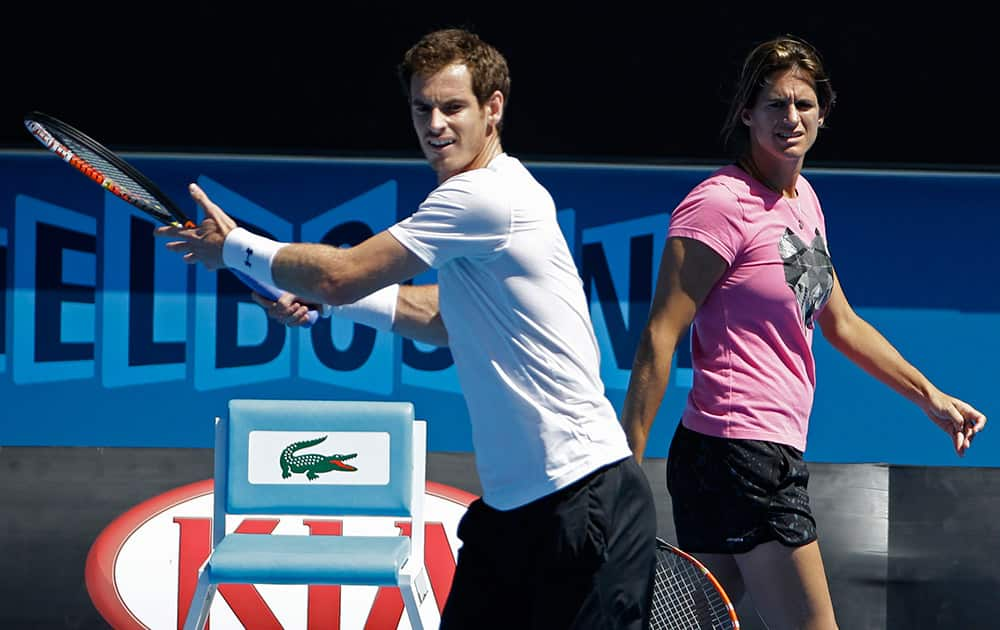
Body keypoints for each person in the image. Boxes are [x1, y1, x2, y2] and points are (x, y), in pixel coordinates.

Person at [159, 28, 657, 629]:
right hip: (513, 511)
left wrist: (236, 248)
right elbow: (443, 318)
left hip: (582, 498)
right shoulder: (481, 201)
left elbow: (343, 274)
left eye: (453, 107)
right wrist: (323, 302)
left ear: (493, 108)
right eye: (423, 109)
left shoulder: (485, 196)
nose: (435, 125)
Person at [620, 34, 987, 630]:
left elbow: (840, 322)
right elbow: (659, 338)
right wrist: (624, 472)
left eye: (803, 104)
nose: (790, 118)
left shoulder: (805, 200)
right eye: (774, 104)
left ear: (822, 112)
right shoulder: (718, 205)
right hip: (743, 453)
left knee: (698, 625)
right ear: (747, 114)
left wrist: (931, 398)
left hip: (736, 456)